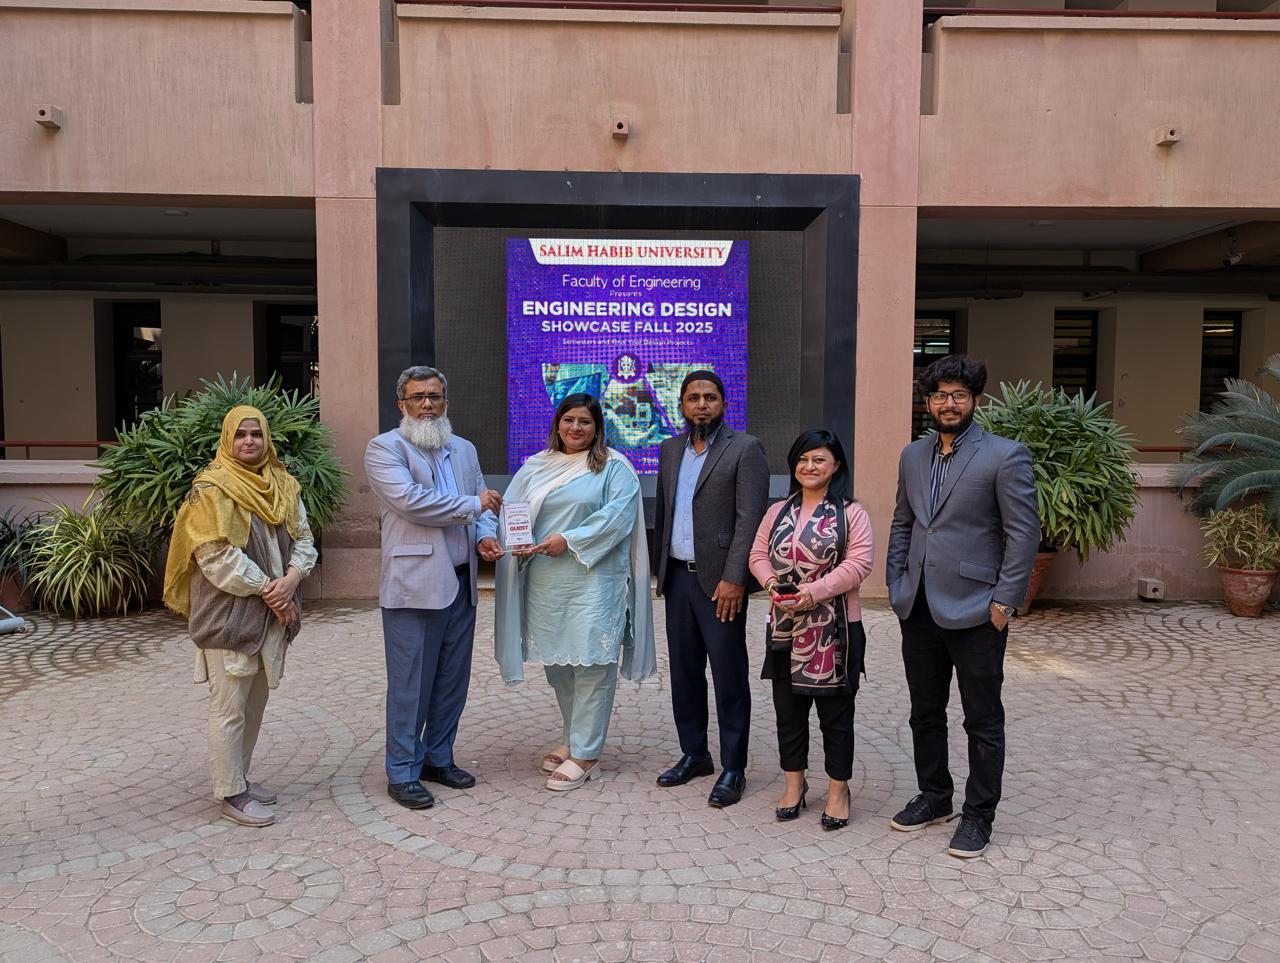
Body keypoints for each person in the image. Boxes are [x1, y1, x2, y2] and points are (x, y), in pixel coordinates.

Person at [886, 354, 1039, 858]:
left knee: (982, 719)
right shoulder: (912, 456)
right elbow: (904, 523)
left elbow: (1023, 534)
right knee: (925, 713)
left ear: (975, 400)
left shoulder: (1004, 455)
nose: (948, 404)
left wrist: (1005, 603)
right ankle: (934, 797)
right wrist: (897, 582)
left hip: (977, 608)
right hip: (919, 606)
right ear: (927, 402)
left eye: (958, 395)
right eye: (939, 395)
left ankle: (978, 815)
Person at [163, 405, 317, 828]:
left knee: (254, 704)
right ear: (227, 439)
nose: (249, 441)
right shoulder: (211, 489)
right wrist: (272, 590)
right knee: (229, 707)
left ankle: (240, 778)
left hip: (270, 615)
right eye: (240, 434)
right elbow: (215, 557)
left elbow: (305, 539)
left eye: (256, 434)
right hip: (229, 617)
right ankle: (230, 793)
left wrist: (292, 579)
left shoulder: (283, 485)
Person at [494, 393, 656, 791]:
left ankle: (586, 752)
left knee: (592, 665)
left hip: (594, 583)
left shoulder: (614, 468)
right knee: (559, 666)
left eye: (584, 421)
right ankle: (571, 737)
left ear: (598, 427)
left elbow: (616, 519)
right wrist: (515, 541)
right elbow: (513, 512)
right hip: (546, 583)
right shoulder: (536, 465)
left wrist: (568, 539)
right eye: (568, 420)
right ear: (557, 424)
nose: (576, 428)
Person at [365, 365, 503, 810]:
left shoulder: (464, 449)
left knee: (451, 681)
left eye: (435, 396)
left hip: (462, 582)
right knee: (411, 684)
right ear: (401, 404)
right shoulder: (384, 448)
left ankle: (437, 759)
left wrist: (484, 536)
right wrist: (474, 506)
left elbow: (484, 507)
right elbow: (412, 502)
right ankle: (403, 771)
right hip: (415, 586)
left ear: (446, 401)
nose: (427, 404)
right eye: (418, 397)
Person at [652, 370, 769, 808]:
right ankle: (695, 754)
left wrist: (735, 577)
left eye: (710, 397)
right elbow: (664, 514)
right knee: (684, 673)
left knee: (728, 674)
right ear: (681, 405)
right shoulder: (669, 449)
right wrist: (660, 574)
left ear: (723, 403)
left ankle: (734, 766)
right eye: (693, 398)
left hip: (721, 583)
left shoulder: (745, 448)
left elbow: (750, 518)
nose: (701, 404)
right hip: (678, 578)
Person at [748, 429, 873, 831]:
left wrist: (812, 593)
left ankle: (838, 792)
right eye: (803, 459)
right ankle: (794, 785)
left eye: (819, 459)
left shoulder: (852, 513)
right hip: (785, 626)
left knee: (836, 717)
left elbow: (859, 564)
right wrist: (772, 584)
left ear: (836, 466)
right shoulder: (777, 511)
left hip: (836, 631)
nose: (810, 466)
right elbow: (757, 554)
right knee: (788, 713)